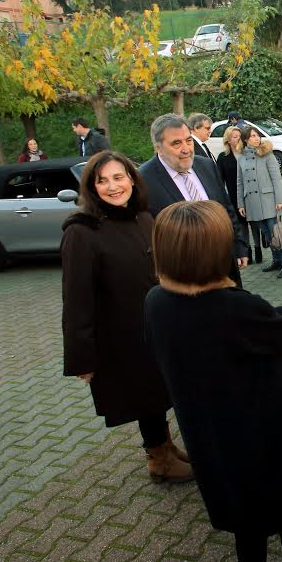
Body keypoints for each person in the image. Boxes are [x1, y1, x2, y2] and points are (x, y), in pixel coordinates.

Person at [145, 200, 282, 562]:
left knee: (245, 519)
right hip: (266, 428)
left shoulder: (156, 302)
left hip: (210, 433)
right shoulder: (235, 306)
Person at [60, 151, 193, 483]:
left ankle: (164, 445)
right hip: (122, 336)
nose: (112, 186)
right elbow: (76, 299)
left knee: (158, 392)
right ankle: (158, 459)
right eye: (102, 181)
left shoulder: (142, 218)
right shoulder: (82, 232)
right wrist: (82, 358)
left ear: (132, 179)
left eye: (118, 177)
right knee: (145, 395)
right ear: (91, 188)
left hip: (156, 328)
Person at [139, 113, 249, 286]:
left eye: (188, 140)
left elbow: (226, 208)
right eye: (176, 143)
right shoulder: (143, 180)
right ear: (158, 147)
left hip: (225, 265)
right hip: (185, 277)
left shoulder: (205, 165)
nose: (186, 149)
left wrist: (239, 245)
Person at [236, 125, 282, 278]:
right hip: (252, 202)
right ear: (246, 140)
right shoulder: (240, 157)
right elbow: (239, 182)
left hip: (269, 200)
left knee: (276, 234)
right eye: (253, 136)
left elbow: (276, 178)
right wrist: (240, 203)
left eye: (257, 135)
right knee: (267, 234)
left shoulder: (267, 154)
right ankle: (276, 261)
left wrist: (280, 200)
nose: (256, 138)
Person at [216, 126, 261, 264]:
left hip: (250, 194)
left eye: (239, 136)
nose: (238, 139)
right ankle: (247, 252)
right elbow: (219, 180)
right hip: (235, 197)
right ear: (228, 140)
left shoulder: (247, 154)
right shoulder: (223, 158)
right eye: (235, 137)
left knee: (254, 223)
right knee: (242, 226)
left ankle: (258, 249)